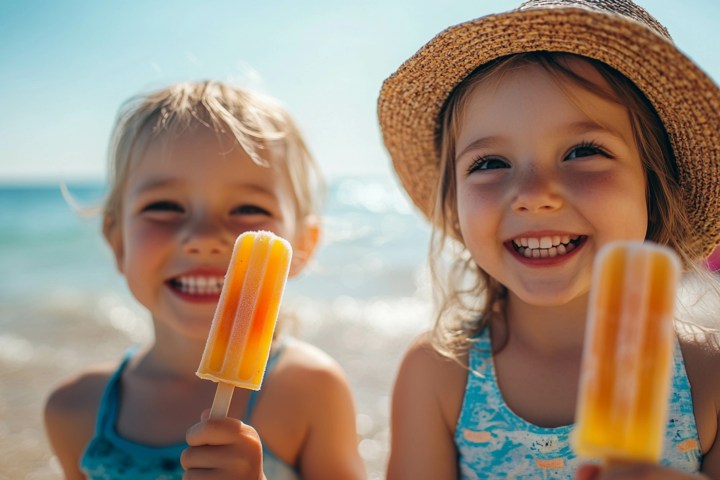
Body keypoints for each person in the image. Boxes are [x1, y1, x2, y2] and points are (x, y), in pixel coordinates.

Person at [377, 0, 720, 478]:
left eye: (583, 151)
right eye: (489, 163)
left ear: (655, 183)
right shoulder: (439, 374)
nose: (534, 196)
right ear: (454, 204)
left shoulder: (710, 377)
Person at [44, 81, 366, 480]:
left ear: (301, 247)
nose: (203, 239)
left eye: (248, 208)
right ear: (117, 242)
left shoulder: (312, 391)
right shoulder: (74, 409)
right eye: (164, 206)